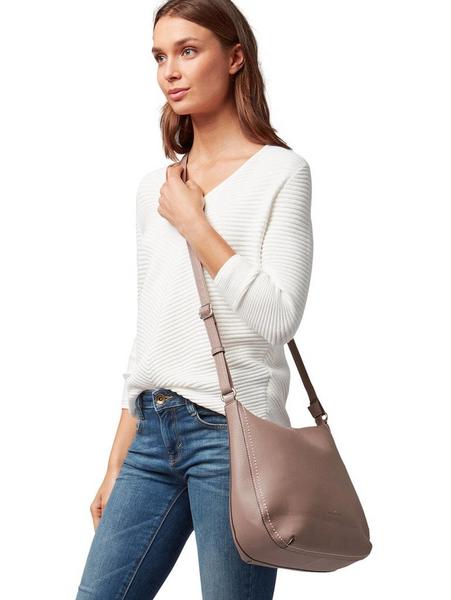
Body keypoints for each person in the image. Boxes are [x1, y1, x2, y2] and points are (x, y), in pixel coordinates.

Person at [75, 0, 313, 598]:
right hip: (151, 433)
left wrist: (195, 225)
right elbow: (152, 331)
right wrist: (116, 461)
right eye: (160, 56)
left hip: (235, 439)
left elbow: (278, 317)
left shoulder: (281, 172)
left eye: (188, 51)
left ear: (234, 58)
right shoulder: (154, 189)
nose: (170, 72)